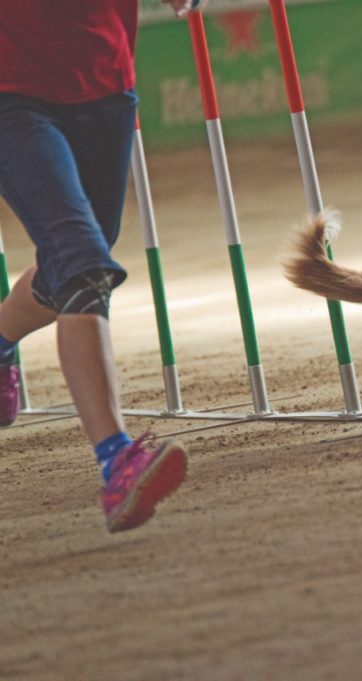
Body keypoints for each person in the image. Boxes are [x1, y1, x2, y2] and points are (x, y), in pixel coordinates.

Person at [0, 0, 206, 532]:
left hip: (105, 79)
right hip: (11, 86)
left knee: (77, 263)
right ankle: (117, 460)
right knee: (82, 264)